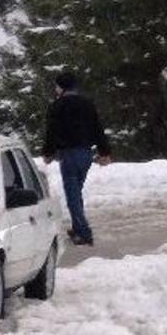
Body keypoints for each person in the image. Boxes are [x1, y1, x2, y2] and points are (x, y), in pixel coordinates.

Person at [41, 70, 111, 246]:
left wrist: (48, 152)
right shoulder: (87, 104)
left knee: (72, 194)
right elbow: (98, 128)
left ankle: (84, 232)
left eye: (57, 86)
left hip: (69, 154)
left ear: (62, 87)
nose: (55, 89)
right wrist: (104, 152)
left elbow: (51, 132)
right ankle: (77, 228)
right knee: (76, 191)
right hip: (86, 154)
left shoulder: (57, 106)